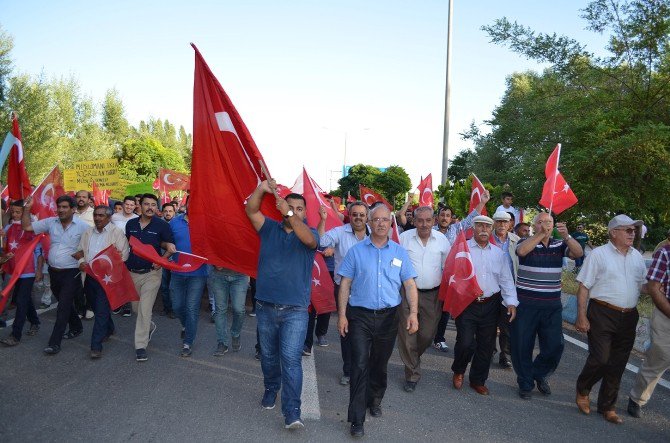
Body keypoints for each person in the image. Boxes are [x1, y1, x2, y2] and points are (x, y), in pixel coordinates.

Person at [337, 204, 418, 438]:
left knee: (379, 364)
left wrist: (413, 313)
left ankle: (375, 399)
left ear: (390, 223)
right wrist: (342, 315)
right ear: (369, 223)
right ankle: (357, 418)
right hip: (360, 316)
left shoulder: (399, 253)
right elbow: (345, 284)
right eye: (377, 220)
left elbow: (410, 284)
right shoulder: (356, 251)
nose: (381, 223)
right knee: (360, 364)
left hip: (388, 318)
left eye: (385, 220)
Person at [246, 179, 318, 430]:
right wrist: (262, 189)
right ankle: (270, 388)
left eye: (300, 209)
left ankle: (292, 411)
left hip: (295, 311)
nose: (295, 212)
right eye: (291, 207)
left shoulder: (310, 233)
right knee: (268, 356)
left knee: (290, 359)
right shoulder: (269, 228)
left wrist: (287, 213)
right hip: (265, 306)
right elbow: (251, 211)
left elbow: (309, 240)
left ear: (305, 213)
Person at [573, 215, 647, 424]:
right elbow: (583, 287)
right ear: (614, 232)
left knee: (618, 363)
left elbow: (643, 286)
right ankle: (583, 388)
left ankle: (608, 406)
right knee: (601, 358)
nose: (633, 234)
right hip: (602, 313)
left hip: (629, 315)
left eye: (634, 231)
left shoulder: (637, 257)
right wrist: (581, 316)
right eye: (629, 230)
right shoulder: (598, 254)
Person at [511, 212, 583, 399]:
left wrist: (566, 236)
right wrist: (540, 235)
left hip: (551, 306)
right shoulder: (524, 241)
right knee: (522, 345)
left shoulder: (559, 245)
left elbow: (578, 253)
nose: (545, 225)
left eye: (549, 222)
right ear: (535, 225)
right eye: (541, 222)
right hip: (526, 304)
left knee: (554, 346)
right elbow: (522, 252)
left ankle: (538, 373)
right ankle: (525, 382)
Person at [452, 215, 518, 395]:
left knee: (486, 345)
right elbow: (454, 276)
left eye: (487, 227)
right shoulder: (463, 249)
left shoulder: (499, 254)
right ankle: (459, 370)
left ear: (492, 230)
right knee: (465, 342)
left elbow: (506, 280)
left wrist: (511, 302)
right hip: (468, 304)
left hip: (491, 304)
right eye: (480, 226)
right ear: (473, 228)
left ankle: (478, 380)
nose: (483, 230)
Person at [21, 195, 89, 355]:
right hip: (53, 271)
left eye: (65, 207)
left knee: (63, 307)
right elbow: (27, 227)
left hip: (72, 272)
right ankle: (77, 326)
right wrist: (27, 209)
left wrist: (82, 254)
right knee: (63, 303)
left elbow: (91, 245)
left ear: (73, 209)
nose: (61, 210)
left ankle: (54, 343)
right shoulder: (51, 222)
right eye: (59, 207)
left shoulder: (83, 226)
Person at [318, 200, 370, 385]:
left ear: (367, 217)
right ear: (349, 215)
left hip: (368, 290)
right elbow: (321, 241)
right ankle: (348, 371)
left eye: (362, 215)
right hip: (344, 290)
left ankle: (364, 368)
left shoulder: (375, 235)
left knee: (366, 331)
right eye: (354, 214)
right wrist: (323, 220)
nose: (358, 218)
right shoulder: (340, 232)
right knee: (346, 330)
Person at [398, 206, 450, 392]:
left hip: (432, 295)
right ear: (414, 221)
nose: (424, 224)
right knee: (407, 335)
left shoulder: (442, 241)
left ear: (434, 221)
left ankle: (412, 358)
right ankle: (412, 374)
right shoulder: (404, 239)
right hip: (406, 294)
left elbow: (448, 268)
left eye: (428, 220)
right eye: (420, 220)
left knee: (427, 334)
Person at [432, 191, 491, 352]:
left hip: (448, 278)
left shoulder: (456, 230)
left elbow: (470, 219)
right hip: (430, 276)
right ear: (437, 217)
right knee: (430, 309)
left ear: (451, 218)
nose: (445, 218)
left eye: (448, 215)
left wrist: (482, 202)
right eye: (442, 215)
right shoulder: (429, 230)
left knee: (445, 309)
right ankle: (425, 334)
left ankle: (439, 338)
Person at [125, 193, 176, 362]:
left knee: (145, 310)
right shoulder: (131, 224)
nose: (150, 207)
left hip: (152, 275)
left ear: (157, 207)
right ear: (140, 205)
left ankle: (140, 346)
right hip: (132, 273)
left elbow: (170, 247)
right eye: (146, 204)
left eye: (153, 205)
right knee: (136, 309)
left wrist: (162, 260)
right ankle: (149, 326)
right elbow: (127, 246)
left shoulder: (162, 226)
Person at [76, 205, 129, 359]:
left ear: (108, 217)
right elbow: (79, 250)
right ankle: (109, 328)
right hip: (90, 277)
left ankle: (96, 345)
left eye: (101, 216)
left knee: (100, 310)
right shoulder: (87, 232)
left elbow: (124, 256)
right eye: (96, 215)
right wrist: (80, 260)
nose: (97, 218)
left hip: (107, 279)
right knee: (99, 308)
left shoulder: (117, 233)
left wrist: (109, 262)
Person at [628, 240, 670, 418]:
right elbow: (653, 288)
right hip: (666, 313)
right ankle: (637, 398)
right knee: (660, 359)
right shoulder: (665, 253)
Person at [0, 200, 44, 346]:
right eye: (13, 211)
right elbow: (5, 247)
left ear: (25, 212)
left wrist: (39, 270)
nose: (15, 214)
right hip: (13, 270)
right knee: (23, 299)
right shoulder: (8, 227)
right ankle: (35, 321)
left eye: (18, 212)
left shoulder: (32, 229)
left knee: (21, 301)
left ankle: (15, 335)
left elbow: (38, 252)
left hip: (27, 271)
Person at [491, 210, 520, 369]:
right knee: (489, 323)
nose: (502, 224)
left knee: (507, 325)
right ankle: (489, 350)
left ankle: (505, 354)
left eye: (505, 222)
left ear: (510, 224)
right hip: (490, 288)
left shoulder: (517, 241)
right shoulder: (486, 238)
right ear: (494, 223)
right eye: (499, 221)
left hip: (509, 289)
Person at [111, 196, 139, 317]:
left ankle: (127, 304)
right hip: (115, 252)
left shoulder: (137, 219)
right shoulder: (114, 217)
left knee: (127, 279)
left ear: (135, 206)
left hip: (130, 252)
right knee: (116, 278)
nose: (129, 207)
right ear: (123, 205)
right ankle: (117, 303)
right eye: (127, 204)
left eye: (131, 205)